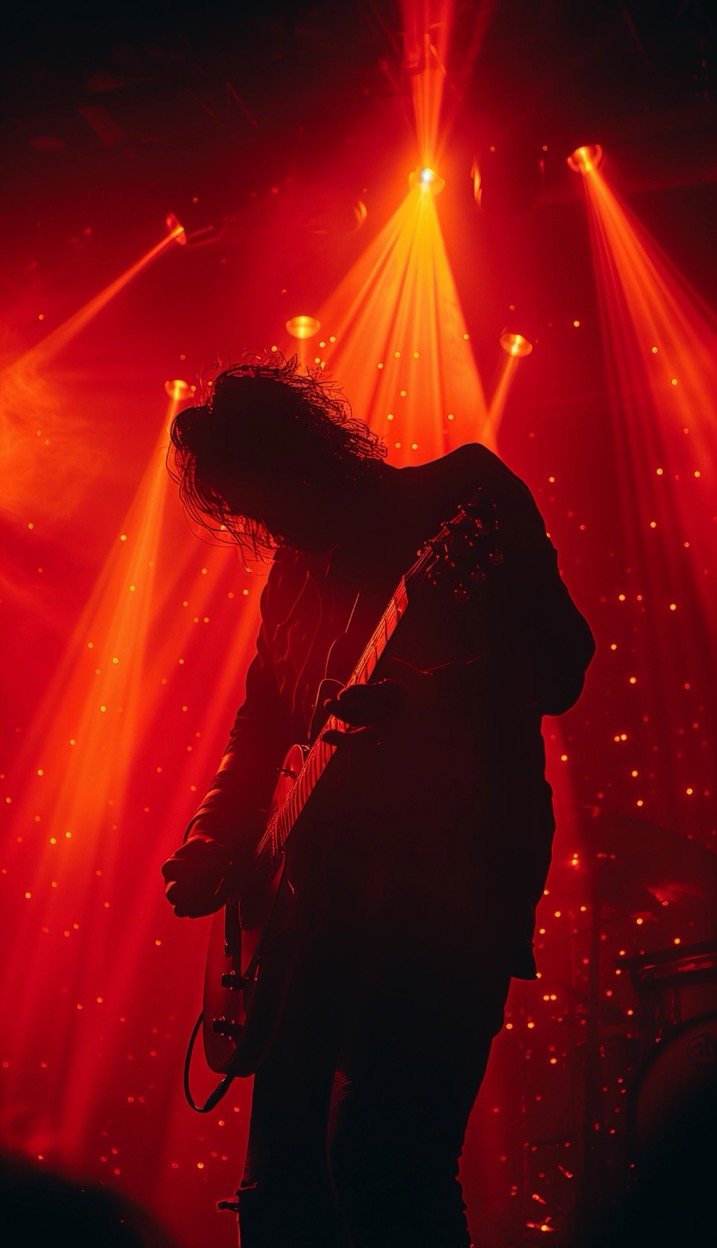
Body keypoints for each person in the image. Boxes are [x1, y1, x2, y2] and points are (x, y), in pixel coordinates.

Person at [161, 355, 594, 1248]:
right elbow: (261, 728)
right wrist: (215, 838)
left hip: (451, 880)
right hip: (308, 907)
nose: (268, 524)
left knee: (386, 1161)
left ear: (313, 455)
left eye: (270, 499)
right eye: (251, 513)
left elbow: (560, 664)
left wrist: (422, 699)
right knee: (277, 1180)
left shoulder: (460, 498)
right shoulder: (292, 574)